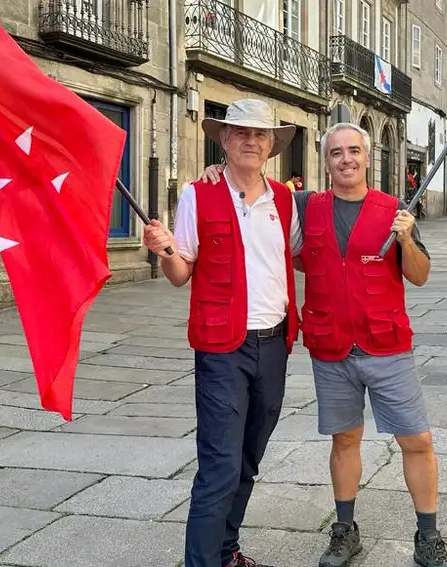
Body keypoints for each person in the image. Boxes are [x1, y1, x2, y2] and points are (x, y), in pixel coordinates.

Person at [200, 122, 447, 567]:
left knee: (417, 440)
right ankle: (344, 531)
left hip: (386, 345)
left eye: (354, 150)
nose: (346, 159)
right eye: (336, 153)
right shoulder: (305, 206)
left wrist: (405, 237)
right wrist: (217, 171)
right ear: (325, 161)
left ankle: (428, 535)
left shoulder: (396, 209)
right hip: (332, 346)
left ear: (368, 157)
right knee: (344, 439)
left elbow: (418, 274)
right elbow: (257, 190)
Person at [144, 98, 302, 567]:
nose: (250, 141)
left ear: (272, 145)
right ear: (224, 141)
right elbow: (179, 272)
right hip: (222, 349)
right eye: (240, 133)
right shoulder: (199, 193)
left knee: (249, 459)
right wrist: (164, 249)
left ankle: (226, 551)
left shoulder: (287, 199)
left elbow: (306, 253)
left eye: (259, 134)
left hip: (274, 346)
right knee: (219, 466)